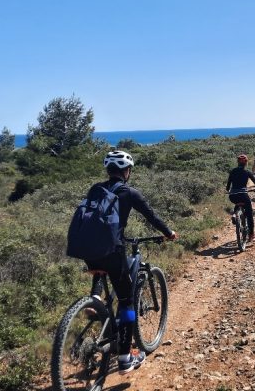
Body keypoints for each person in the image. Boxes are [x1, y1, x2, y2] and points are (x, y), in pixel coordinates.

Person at [85, 150, 178, 374]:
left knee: (103, 264)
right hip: (113, 250)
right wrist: (169, 233)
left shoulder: (95, 189)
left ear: (109, 171)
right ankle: (126, 358)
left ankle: (95, 298)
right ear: (127, 171)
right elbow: (152, 216)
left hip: (87, 249)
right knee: (127, 304)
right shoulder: (129, 192)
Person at [226, 154, 255, 241]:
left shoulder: (233, 171)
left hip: (232, 196)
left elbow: (228, 186)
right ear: (246, 163)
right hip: (243, 195)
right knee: (249, 214)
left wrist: (228, 190)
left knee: (238, 203)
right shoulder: (247, 172)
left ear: (238, 163)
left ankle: (235, 214)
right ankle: (251, 235)